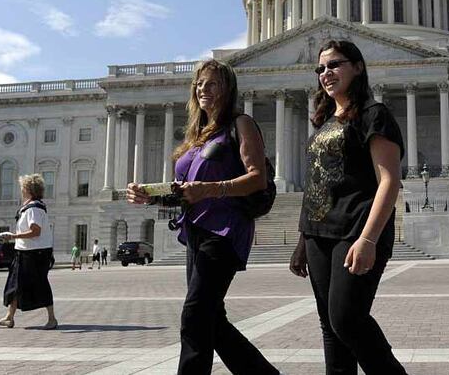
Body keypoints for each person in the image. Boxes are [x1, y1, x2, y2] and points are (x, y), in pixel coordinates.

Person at [126, 59, 278, 375]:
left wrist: (210, 189)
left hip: (225, 229)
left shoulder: (241, 124)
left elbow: (258, 178)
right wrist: (149, 196)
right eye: (199, 84)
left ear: (227, 88)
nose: (202, 89)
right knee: (211, 318)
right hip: (196, 229)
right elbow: (185, 193)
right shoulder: (198, 136)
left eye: (211, 83)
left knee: (194, 316)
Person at [290, 40, 408, 374]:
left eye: (335, 65)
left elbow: (389, 180)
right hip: (318, 234)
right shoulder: (325, 121)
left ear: (357, 67)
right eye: (321, 68)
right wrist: (303, 241)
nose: (326, 73)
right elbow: (316, 183)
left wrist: (369, 239)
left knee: (347, 320)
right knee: (331, 328)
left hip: (356, 229)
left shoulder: (374, 115)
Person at [0, 174, 58, 330]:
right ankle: (9, 317)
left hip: (35, 254)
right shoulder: (29, 207)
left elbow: (35, 231)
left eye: (23, 187)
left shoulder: (34, 208)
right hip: (24, 251)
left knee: (40, 284)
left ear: (28, 189)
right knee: (15, 284)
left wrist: (13, 236)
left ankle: (52, 319)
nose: (21, 189)